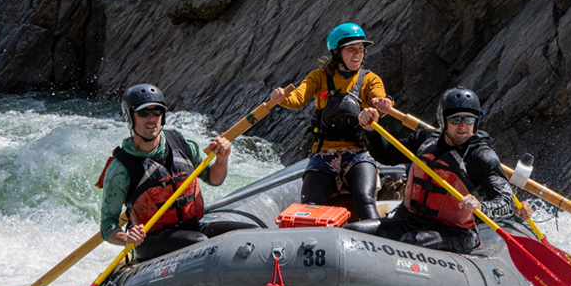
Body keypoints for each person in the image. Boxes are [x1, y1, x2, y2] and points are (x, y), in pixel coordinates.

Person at [349, 87, 518, 254]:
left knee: (409, 242)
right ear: (443, 120)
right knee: (353, 230)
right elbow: (386, 155)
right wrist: (371, 130)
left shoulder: (481, 157)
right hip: (412, 221)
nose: (463, 126)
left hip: (456, 233)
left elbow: (507, 202)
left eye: (469, 120)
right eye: (455, 119)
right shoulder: (426, 140)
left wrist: (481, 207)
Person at [96, 84, 238, 261]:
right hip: (150, 242)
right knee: (201, 243)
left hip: (193, 228)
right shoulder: (120, 168)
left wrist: (222, 159)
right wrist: (127, 238)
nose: (151, 118)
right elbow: (108, 225)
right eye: (143, 113)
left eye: (157, 112)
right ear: (129, 117)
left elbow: (214, 179)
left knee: (247, 232)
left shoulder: (181, 141)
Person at [269, 22, 393, 220]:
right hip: (324, 154)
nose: (357, 54)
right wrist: (282, 98)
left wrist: (382, 104)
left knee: (365, 199)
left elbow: (379, 99)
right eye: (351, 49)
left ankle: (376, 236)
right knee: (309, 202)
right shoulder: (319, 76)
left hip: (359, 154)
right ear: (337, 52)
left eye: (360, 49)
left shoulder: (371, 79)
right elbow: (298, 98)